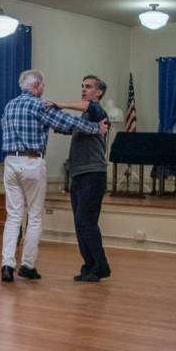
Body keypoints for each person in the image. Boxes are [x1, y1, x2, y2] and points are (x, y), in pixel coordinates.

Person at [0, 70, 108, 282]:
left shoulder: (9, 105)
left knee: (13, 216)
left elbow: (65, 125)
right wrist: (96, 128)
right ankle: (27, 266)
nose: (44, 90)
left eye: (88, 86)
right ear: (37, 86)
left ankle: (6, 265)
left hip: (11, 162)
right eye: (43, 86)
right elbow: (65, 121)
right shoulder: (39, 104)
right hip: (32, 163)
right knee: (35, 216)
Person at [48, 75, 112, 282]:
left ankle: (101, 267)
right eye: (82, 86)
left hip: (93, 175)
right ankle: (89, 265)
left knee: (87, 222)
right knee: (80, 223)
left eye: (89, 86)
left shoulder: (98, 112)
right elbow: (64, 126)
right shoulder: (84, 120)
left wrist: (61, 103)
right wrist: (51, 112)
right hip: (78, 175)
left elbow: (86, 106)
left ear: (99, 92)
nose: (84, 89)